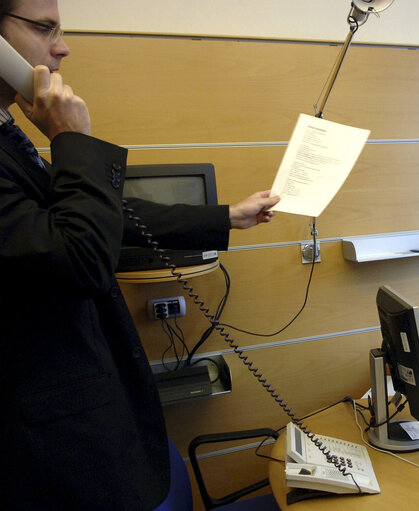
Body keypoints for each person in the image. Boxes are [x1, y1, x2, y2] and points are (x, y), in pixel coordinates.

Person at [0, 1, 280, 509]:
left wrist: (225, 217)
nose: (62, 47)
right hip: (51, 447)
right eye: (44, 29)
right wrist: (72, 140)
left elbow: (98, 214)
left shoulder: (6, 131)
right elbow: (80, 258)